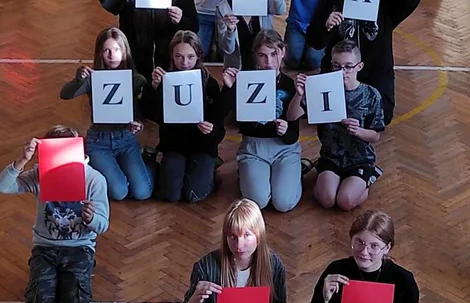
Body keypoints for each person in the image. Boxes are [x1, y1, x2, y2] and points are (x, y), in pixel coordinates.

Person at [0, 126, 110, 303]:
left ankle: (74, 277)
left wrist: (91, 219)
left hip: (79, 248)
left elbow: (103, 225)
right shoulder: (40, 175)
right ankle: (53, 280)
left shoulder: (94, 179)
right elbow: (2, 186)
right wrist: (22, 160)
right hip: (45, 248)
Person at [306, 0, 421, 125]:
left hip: (375, 71)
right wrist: (326, 26)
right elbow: (314, 41)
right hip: (339, 72)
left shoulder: (386, 2)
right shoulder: (333, 0)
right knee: (325, 116)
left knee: (382, 117)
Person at [286, 41, 385, 211]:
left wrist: (358, 131)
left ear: (359, 67)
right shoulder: (322, 89)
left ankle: (368, 178)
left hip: (360, 159)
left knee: (345, 202)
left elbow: (375, 136)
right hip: (331, 157)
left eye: (348, 66)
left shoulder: (371, 95)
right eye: (337, 66)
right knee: (327, 200)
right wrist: (299, 94)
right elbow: (292, 116)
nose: (342, 72)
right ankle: (327, 174)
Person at [60, 27, 155, 201]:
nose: (112, 55)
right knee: (119, 193)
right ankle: (107, 171)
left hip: (125, 139)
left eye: (117, 50)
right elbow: (65, 95)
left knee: (143, 192)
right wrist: (78, 79)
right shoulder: (93, 77)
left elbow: (142, 112)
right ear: (100, 54)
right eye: (107, 50)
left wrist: (138, 124)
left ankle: (146, 163)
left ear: (125, 51)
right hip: (99, 142)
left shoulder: (137, 79)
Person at [144, 31, 231, 203]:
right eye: (179, 56)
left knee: (194, 195)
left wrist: (211, 130)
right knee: (171, 195)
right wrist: (153, 87)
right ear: (172, 56)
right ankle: (156, 164)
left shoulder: (209, 83)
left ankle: (210, 167)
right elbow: (149, 113)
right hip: (174, 146)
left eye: (190, 57)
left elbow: (220, 124)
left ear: (199, 56)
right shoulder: (165, 80)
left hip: (202, 146)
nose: (185, 63)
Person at [221, 31, 302, 212]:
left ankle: (293, 172)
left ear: (283, 53)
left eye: (274, 54)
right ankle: (248, 172)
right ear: (255, 57)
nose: (269, 62)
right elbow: (223, 115)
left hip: (284, 149)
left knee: (283, 203)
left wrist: (285, 130)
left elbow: (293, 135)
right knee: (258, 201)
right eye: (262, 56)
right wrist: (228, 88)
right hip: (253, 149)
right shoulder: (245, 81)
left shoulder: (290, 85)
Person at [217, 0, 286, 70]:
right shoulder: (224, 8)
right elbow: (226, 49)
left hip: (265, 65)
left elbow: (280, 10)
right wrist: (230, 30)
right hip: (237, 66)